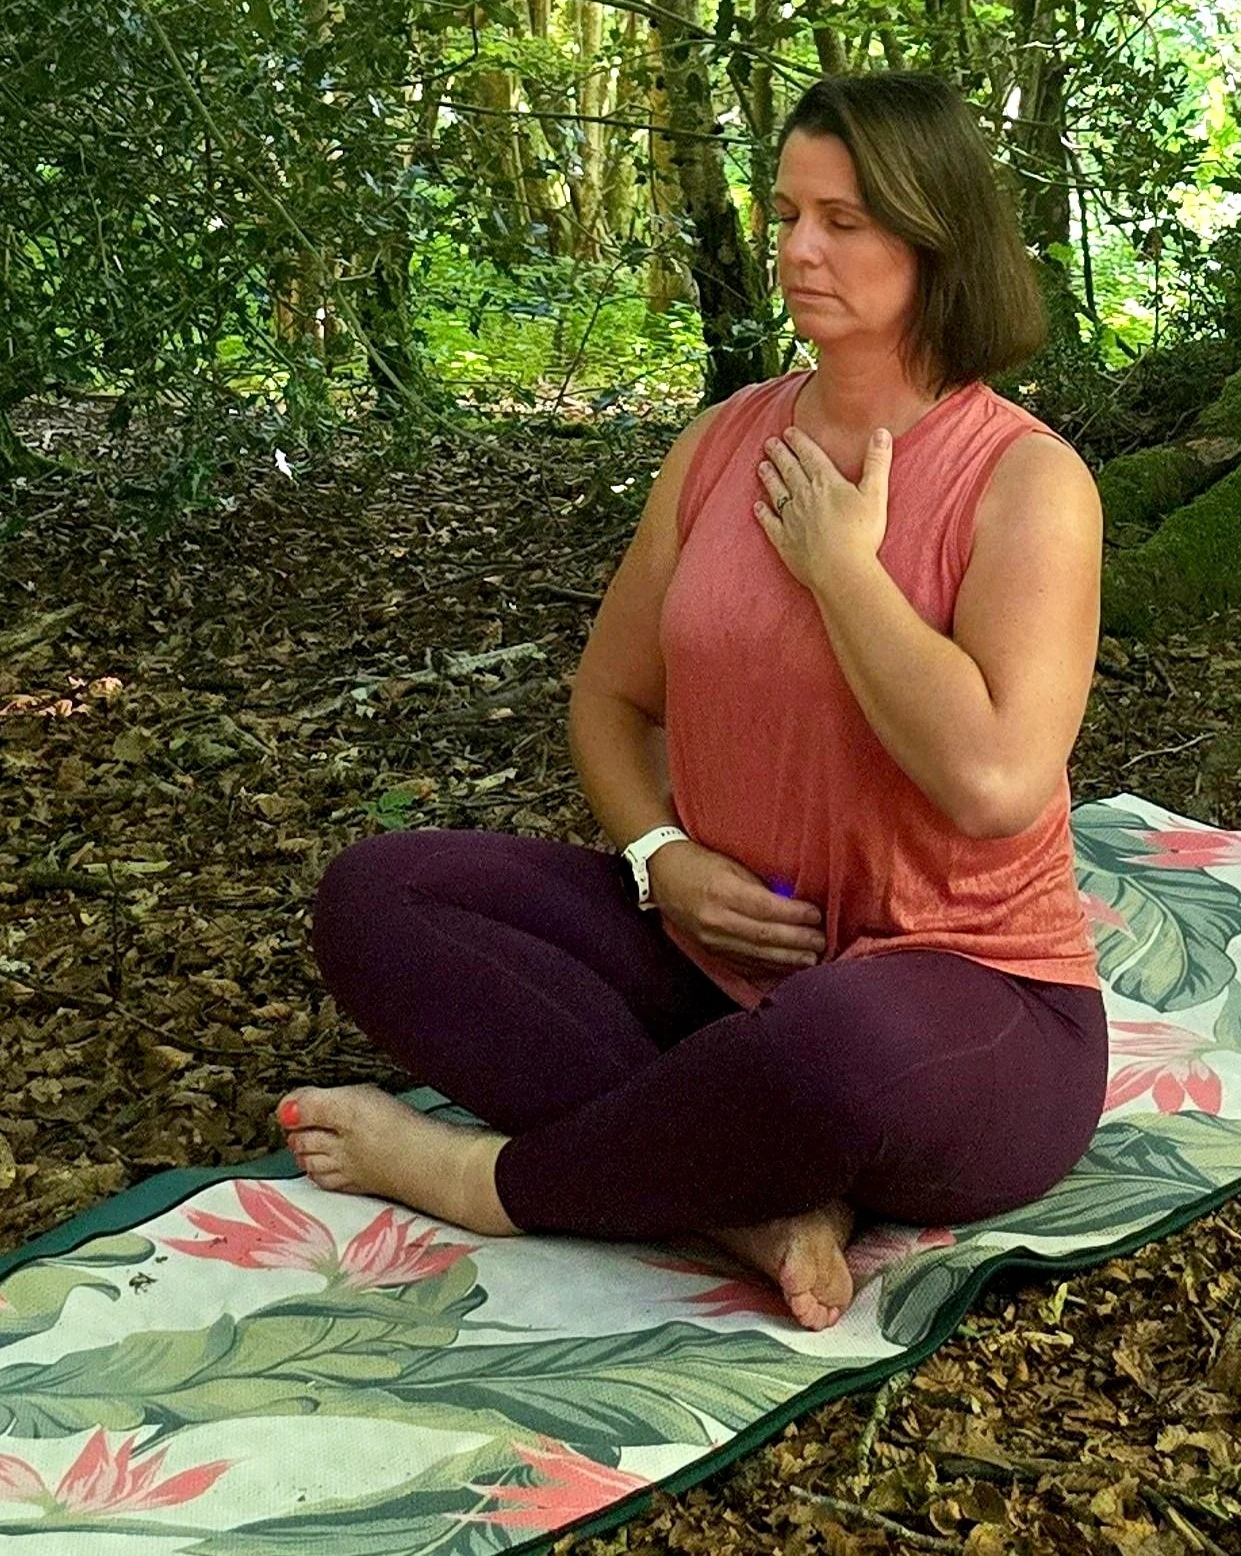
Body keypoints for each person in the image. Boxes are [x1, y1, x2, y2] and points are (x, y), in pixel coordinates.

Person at [280, 71, 1107, 1331]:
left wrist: (843, 569)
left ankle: (492, 1180)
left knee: (831, 1043)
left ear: (935, 239)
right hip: (714, 968)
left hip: (963, 1005)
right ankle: (741, 1201)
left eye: (842, 220)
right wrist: (659, 856)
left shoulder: (1025, 481)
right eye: (787, 214)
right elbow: (609, 701)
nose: (798, 249)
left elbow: (994, 782)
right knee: (382, 896)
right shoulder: (722, 443)